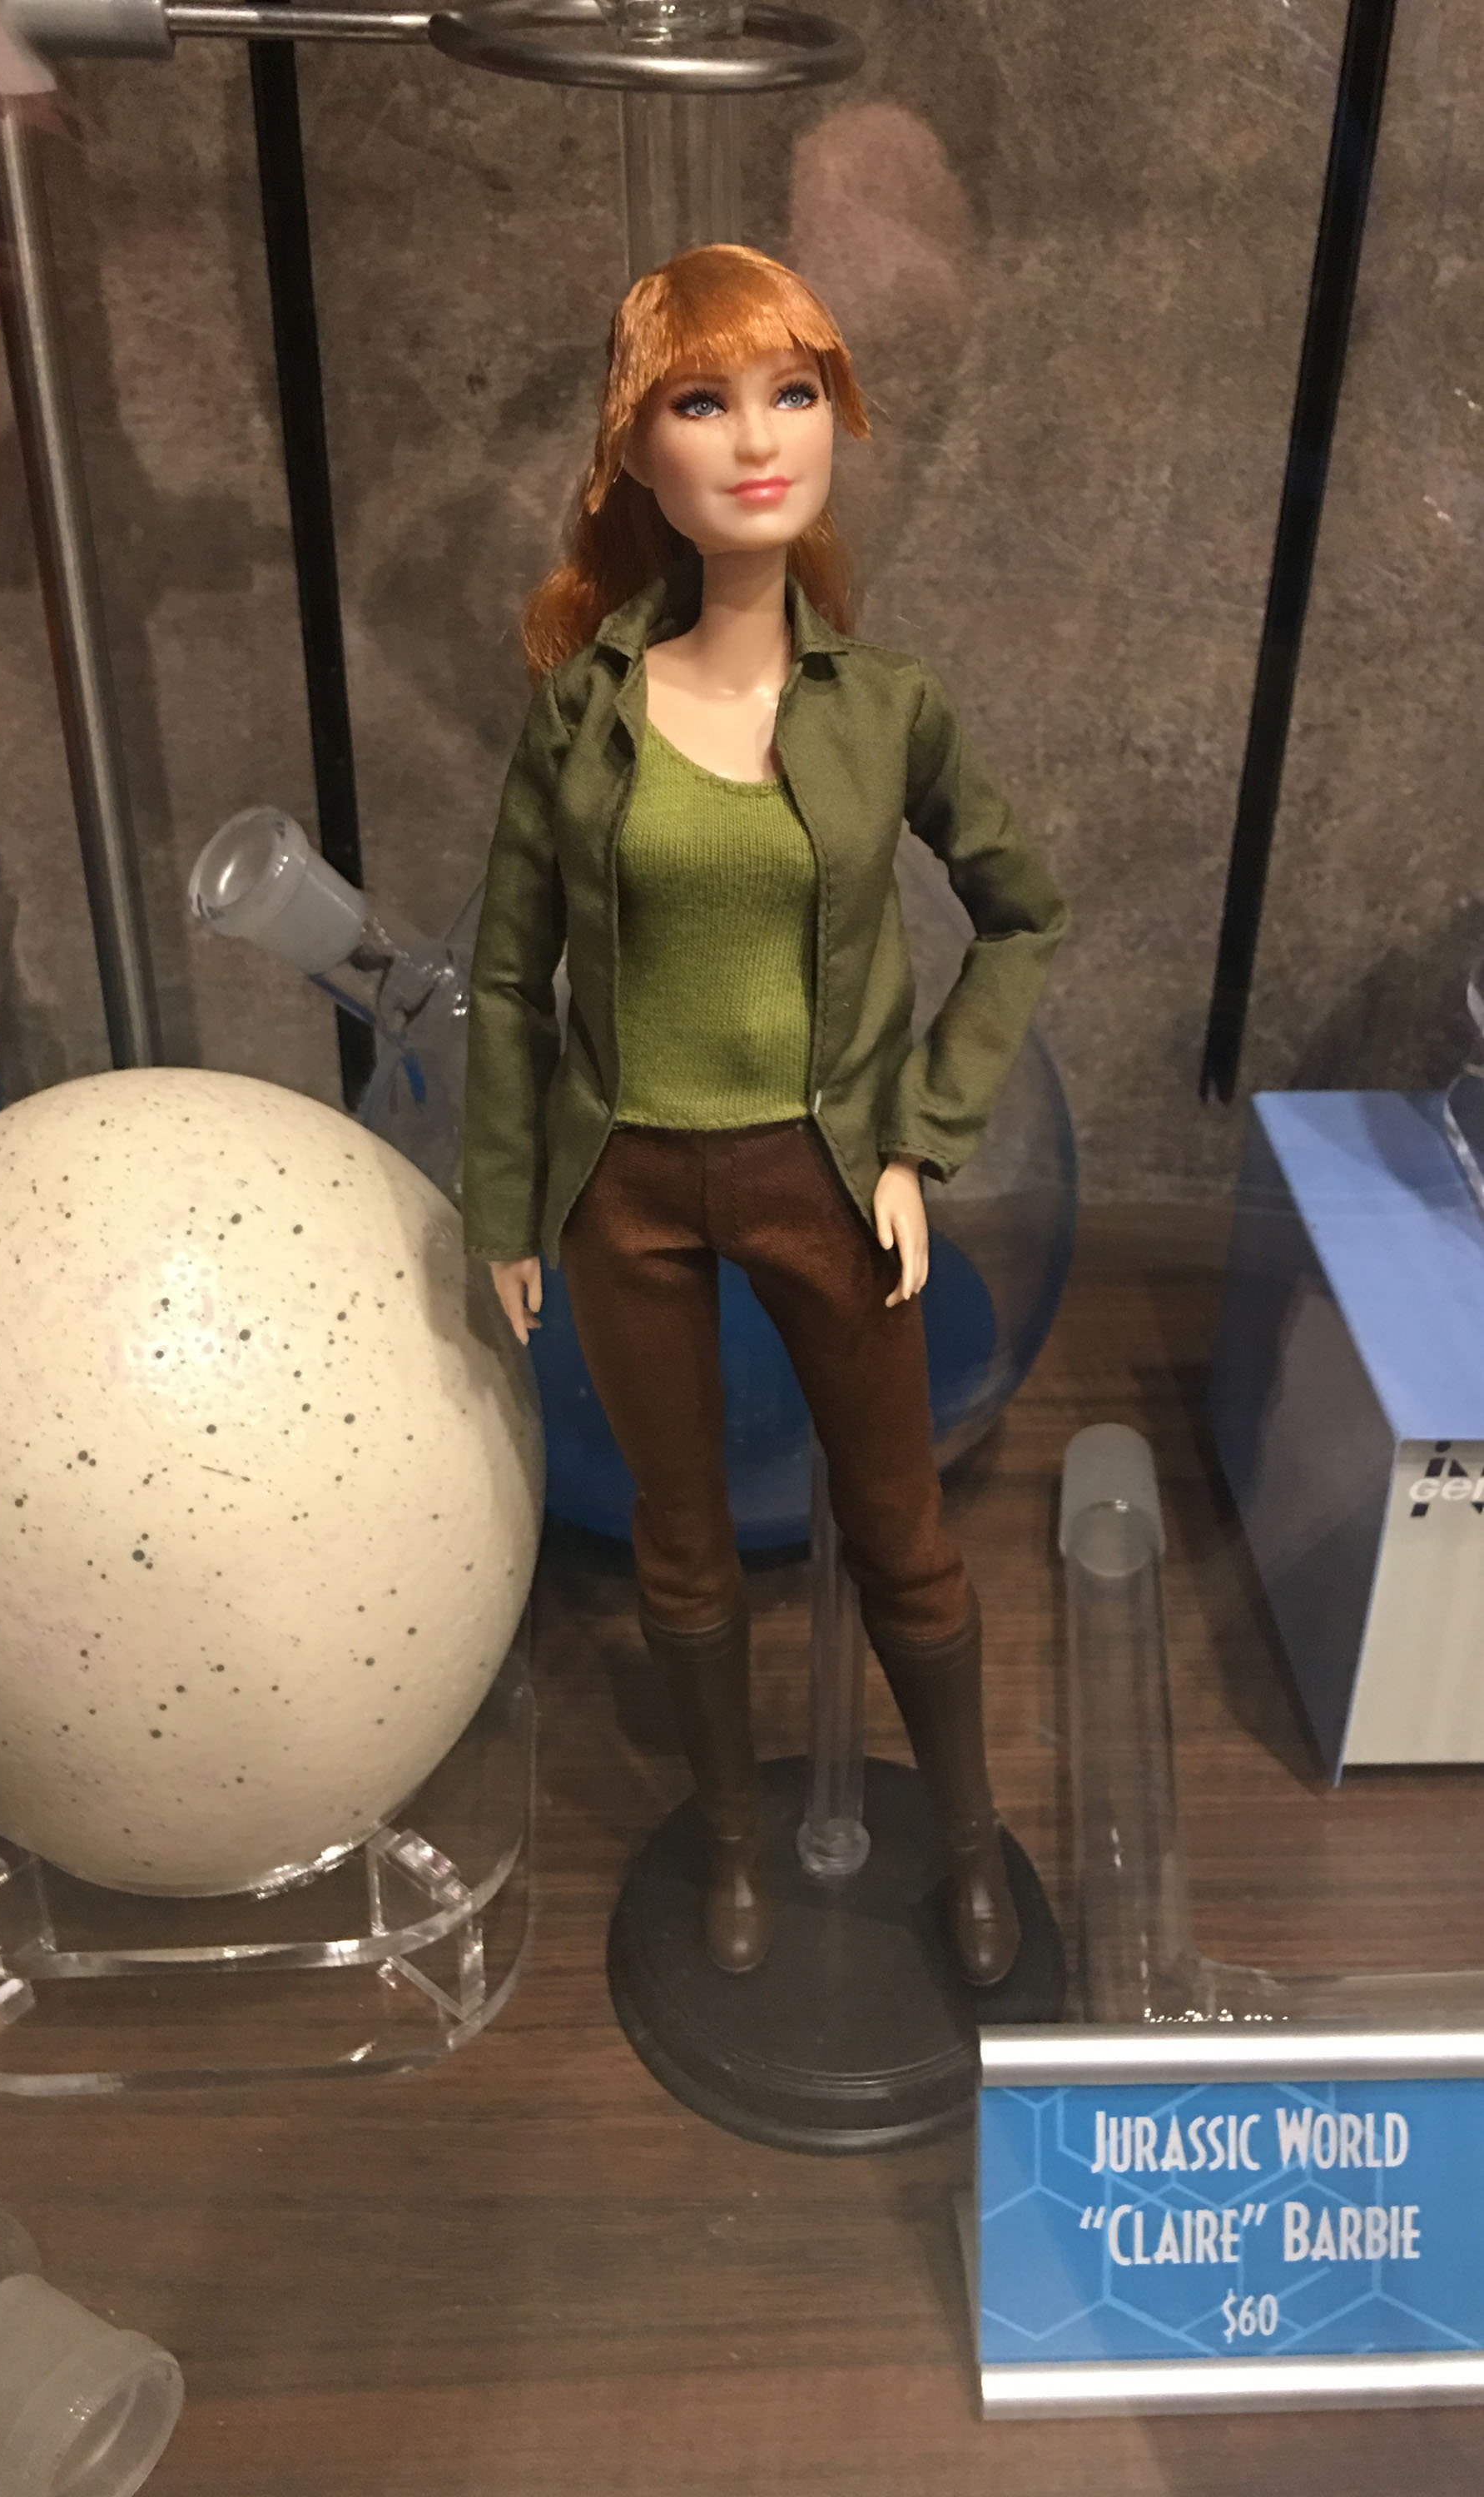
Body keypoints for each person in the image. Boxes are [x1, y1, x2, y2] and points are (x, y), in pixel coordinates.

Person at [462, 244, 1066, 1985]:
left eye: (793, 392)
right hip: (628, 1188)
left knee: (904, 1536)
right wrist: (505, 1203)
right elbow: (503, 977)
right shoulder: (583, 716)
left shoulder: (886, 707)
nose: (756, 439)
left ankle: (967, 1848)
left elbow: (1023, 915)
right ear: (631, 452)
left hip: (829, 1180)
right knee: (682, 1545)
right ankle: (729, 1846)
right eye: (701, 400)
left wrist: (918, 1133)